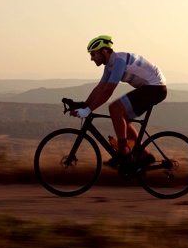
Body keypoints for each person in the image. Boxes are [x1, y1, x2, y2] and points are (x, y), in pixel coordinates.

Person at [72, 35, 168, 167]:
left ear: (104, 52)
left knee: (115, 108)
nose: (91, 58)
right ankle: (144, 155)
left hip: (155, 87)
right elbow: (100, 88)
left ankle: (123, 154)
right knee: (123, 120)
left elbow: (108, 91)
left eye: (93, 54)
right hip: (152, 88)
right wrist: (84, 104)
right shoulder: (110, 65)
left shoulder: (118, 62)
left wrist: (88, 110)